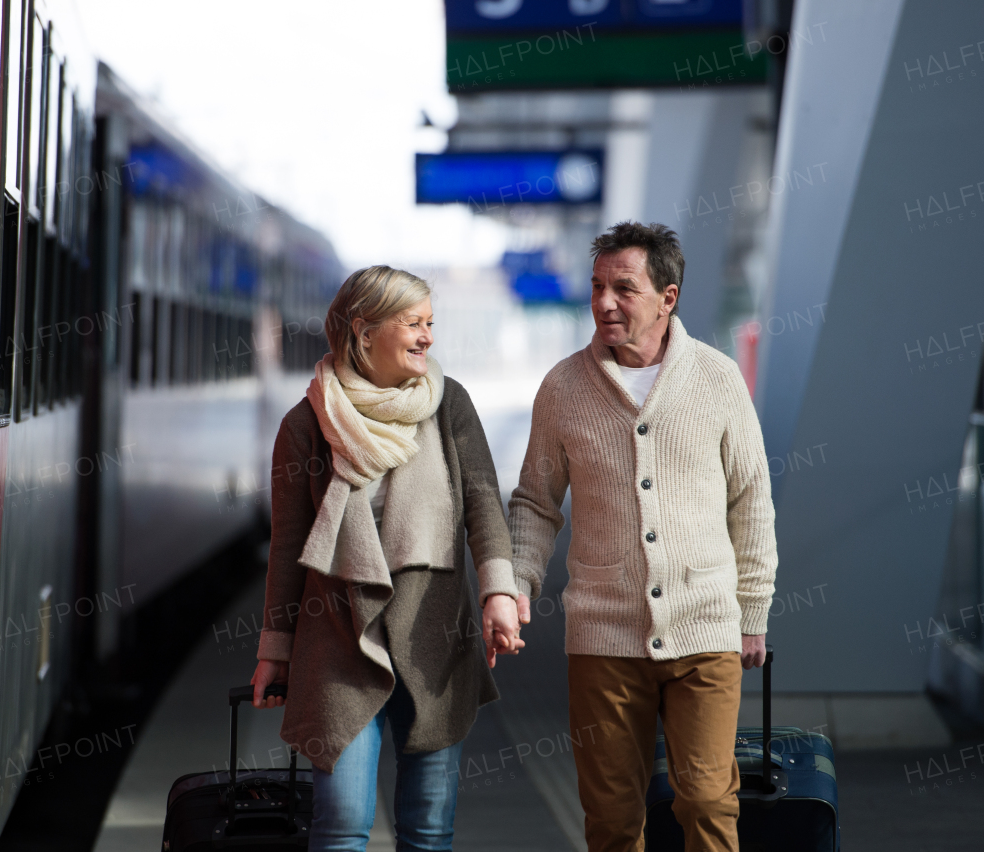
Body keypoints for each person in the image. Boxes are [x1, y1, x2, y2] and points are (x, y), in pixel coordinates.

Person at [508, 222, 778, 852]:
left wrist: (754, 607)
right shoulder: (563, 388)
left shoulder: (717, 379)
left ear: (668, 296)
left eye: (623, 288)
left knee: (709, 802)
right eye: (598, 286)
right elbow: (535, 502)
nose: (604, 301)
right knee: (610, 819)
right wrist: (515, 583)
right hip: (603, 637)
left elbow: (751, 501)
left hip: (706, 628)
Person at [250, 265, 527, 852]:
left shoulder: (449, 406)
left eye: (431, 323)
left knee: (428, 829)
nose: (427, 336)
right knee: (342, 825)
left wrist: (498, 591)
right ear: (363, 330)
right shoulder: (306, 426)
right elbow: (287, 549)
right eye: (412, 324)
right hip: (337, 647)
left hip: (433, 641)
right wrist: (274, 650)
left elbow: (482, 504)